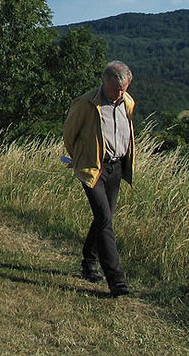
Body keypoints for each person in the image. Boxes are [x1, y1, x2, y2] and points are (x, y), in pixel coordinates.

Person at [63, 61, 136, 298]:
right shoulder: (86, 103)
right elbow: (69, 133)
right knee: (105, 219)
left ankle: (88, 261)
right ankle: (117, 281)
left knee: (105, 217)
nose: (121, 93)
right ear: (105, 83)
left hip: (116, 167)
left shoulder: (127, 102)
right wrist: (80, 158)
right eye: (117, 89)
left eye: (124, 88)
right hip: (93, 168)